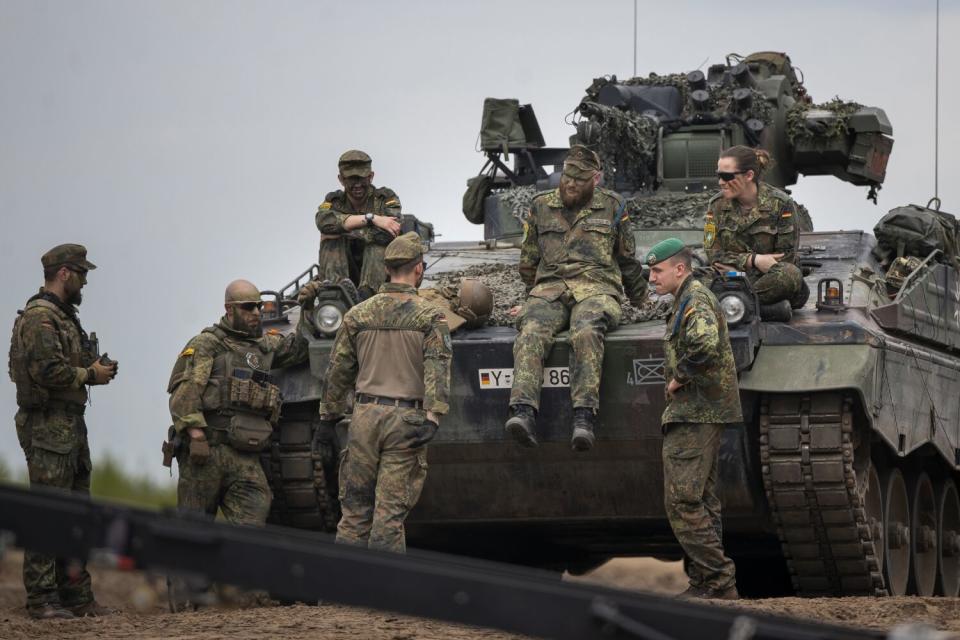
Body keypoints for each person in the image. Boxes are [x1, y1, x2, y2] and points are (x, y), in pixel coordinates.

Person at [504, 145, 647, 452]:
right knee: (531, 331)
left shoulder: (613, 206)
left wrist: (640, 298)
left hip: (597, 289)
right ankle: (522, 413)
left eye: (579, 180)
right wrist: (534, 297)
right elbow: (528, 261)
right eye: (567, 177)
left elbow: (627, 259)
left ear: (595, 179)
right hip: (550, 290)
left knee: (586, 331)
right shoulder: (541, 205)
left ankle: (583, 418)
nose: (570, 184)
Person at [319, 232, 452, 553]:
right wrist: (433, 417)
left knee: (353, 513)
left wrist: (327, 419)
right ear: (419, 269)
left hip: (364, 418)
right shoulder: (430, 316)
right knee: (389, 515)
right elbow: (438, 367)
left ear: (386, 269)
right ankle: (386, 595)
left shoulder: (357, 315)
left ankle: (338, 593)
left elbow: (338, 372)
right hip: (405, 420)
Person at [8, 244, 117, 619]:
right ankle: (41, 599)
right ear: (65, 273)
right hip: (48, 425)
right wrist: (90, 375)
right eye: (82, 273)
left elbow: (66, 362)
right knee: (49, 512)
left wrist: (95, 365)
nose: (85, 280)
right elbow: (46, 370)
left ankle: (75, 595)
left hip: (69, 423)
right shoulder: (41, 317)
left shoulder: (64, 317)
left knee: (75, 513)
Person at [166, 279, 309, 526]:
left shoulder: (263, 347)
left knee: (253, 518)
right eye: (248, 307)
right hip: (206, 451)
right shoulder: (208, 344)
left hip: (244, 455)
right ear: (229, 309)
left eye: (258, 307)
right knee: (192, 528)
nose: (256, 313)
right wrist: (196, 434)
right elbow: (184, 393)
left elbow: (299, 348)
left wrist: (308, 308)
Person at [646, 238, 743, 600]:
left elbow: (704, 343)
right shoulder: (688, 297)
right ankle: (708, 583)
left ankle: (718, 581)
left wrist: (679, 376)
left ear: (680, 269)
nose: (652, 278)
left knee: (682, 501)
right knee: (702, 500)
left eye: (657, 271)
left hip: (696, 410)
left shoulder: (695, 299)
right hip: (702, 409)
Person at [705, 145, 806, 317]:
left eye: (727, 176)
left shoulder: (781, 203)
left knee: (790, 274)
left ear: (749, 175)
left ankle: (728, 306)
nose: (720, 182)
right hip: (730, 278)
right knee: (692, 276)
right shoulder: (716, 205)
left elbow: (784, 258)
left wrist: (734, 261)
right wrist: (753, 260)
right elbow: (713, 254)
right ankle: (759, 309)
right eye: (718, 175)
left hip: (767, 282)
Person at [315, 150, 403, 299]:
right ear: (341, 179)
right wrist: (371, 219)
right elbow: (323, 221)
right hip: (345, 267)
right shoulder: (334, 201)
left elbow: (387, 234)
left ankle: (366, 295)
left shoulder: (384, 198)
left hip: (379, 271)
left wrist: (345, 229)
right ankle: (336, 292)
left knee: (376, 246)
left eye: (362, 178)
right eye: (351, 179)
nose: (357, 184)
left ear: (371, 176)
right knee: (332, 242)